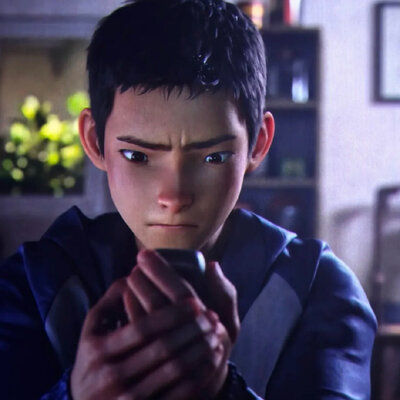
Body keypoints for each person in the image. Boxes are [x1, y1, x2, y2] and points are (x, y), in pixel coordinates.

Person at [0, 0, 376, 399]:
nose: (174, 195)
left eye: (213, 157)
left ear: (257, 144)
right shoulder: (35, 283)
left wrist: (224, 390)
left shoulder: (316, 288)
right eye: (138, 156)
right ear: (94, 141)